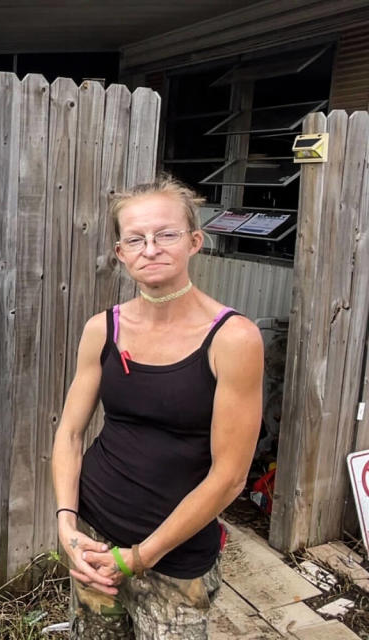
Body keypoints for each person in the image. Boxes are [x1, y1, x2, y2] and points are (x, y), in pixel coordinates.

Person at [51, 176, 263, 639]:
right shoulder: (102, 328)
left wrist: (141, 557)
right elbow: (69, 434)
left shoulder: (233, 339)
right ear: (121, 252)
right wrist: (67, 525)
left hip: (175, 559)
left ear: (194, 241)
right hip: (94, 537)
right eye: (136, 238)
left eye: (165, 234)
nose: (151, 248)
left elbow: (229, 477)